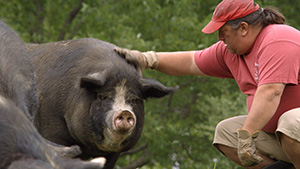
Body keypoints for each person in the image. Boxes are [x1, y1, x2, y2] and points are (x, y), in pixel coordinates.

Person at [115, 0, 300, 168]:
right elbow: (191, 61)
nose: (220, 37)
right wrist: (148, 59)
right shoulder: (231, 52)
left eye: (223, 31)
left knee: (289, 123)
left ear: (243, 28)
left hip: (293, 129)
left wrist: (247, 134)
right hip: (285, 137)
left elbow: (271, 92)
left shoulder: (278, 38)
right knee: (226, 134)